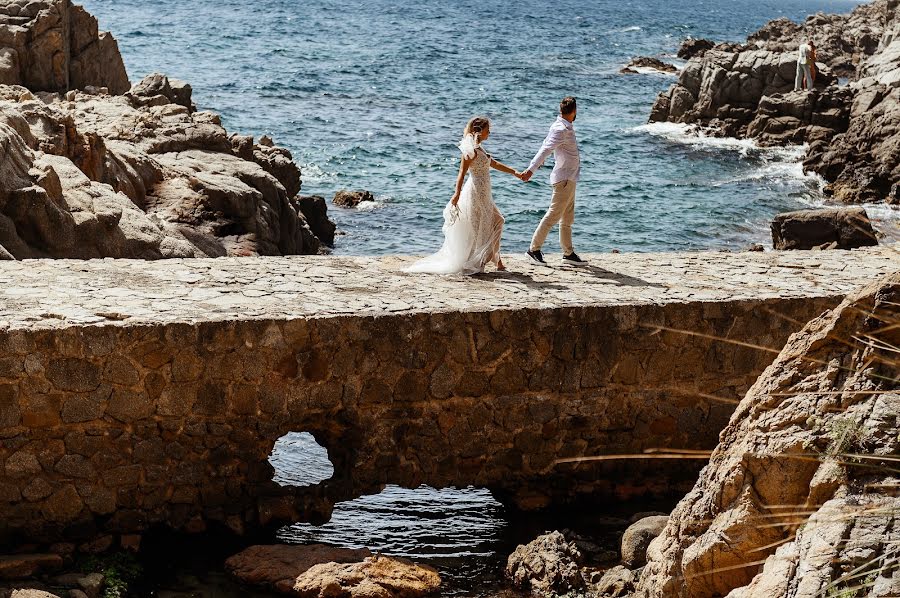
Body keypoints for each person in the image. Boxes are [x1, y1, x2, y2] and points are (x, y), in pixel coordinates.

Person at [405, 117, 524, 275]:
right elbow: (462, 173)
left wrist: (515, 172)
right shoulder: (470, 150)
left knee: (497, 221)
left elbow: (493, 163)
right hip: (476, 193)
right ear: (480, 131)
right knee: (478, 227)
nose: (490, 132)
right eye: (488, 129)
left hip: (485, 193)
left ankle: (495, 259)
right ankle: (483, 261)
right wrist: (456, 194)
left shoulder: (480, 148)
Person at [521, 97, 587, 265]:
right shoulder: (561, 129)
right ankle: (533, 250)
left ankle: (568, 253)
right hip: (564, 179)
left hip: (570, 178)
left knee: (567, 218)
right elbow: (545, 149)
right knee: (553, 215)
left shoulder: (564, 126)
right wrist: (531, 169)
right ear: (574, 111)